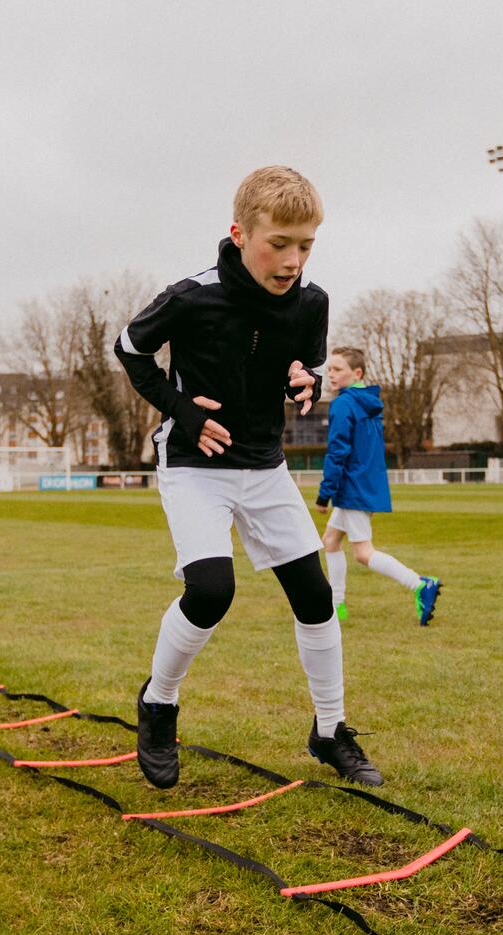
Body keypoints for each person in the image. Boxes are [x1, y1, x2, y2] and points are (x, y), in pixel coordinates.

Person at [113, 165, 382, 788]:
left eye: (306, 245)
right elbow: (129, 347)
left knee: (315, 597)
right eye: (279, 243)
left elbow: (309, 366)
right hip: (194, 465)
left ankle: (329, 729)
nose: (293, 260)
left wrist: (307, 382)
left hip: (265, 467)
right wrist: (179, 410)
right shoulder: (191, 296)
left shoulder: (312, 302)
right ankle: (159, 704)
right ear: (239, 232)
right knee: (211, 593)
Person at [315, 346, 442, 625]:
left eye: (337, 369)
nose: (330, 375)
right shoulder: (367, 401)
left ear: (356, 373)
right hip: (365, 485)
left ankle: (420, 584)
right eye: (329, 369)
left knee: (363, 552)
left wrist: (325, 494)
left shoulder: (344, 404)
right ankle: (337, 606)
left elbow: (338, 451)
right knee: (331, 541)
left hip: (353, 489)